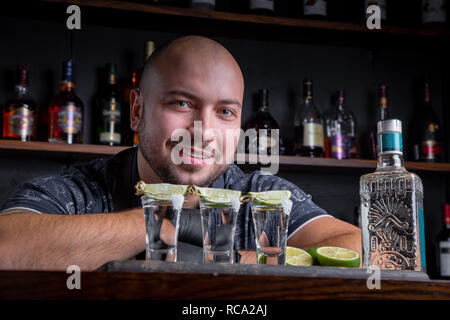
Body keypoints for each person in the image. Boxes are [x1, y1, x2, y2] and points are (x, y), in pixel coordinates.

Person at [0, 36, 361, 270]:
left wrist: (236, 259)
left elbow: (364, 250)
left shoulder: (261, 196)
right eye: (182, 103)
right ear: (137, 111)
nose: (202, 132)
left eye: (224, 112)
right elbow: (8, 245)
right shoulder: (79, 191)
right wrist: (169, 223)